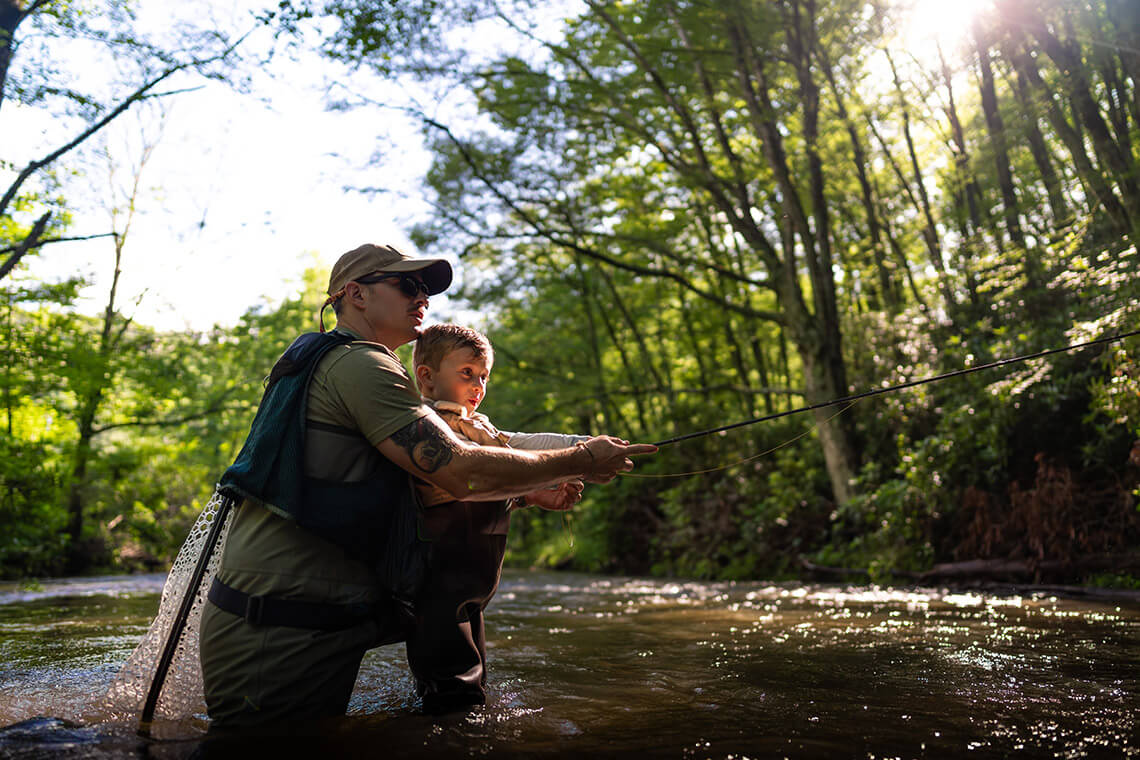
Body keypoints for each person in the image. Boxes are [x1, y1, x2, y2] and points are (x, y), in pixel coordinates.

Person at [198, 243, 656, 731]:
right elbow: (459, 470)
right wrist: (582, 458)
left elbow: (413, 489)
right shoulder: (360, 365)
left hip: (301, 617)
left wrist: (524, 493)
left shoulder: (343, 363)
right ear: (354, 294)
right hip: (279, 630)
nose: (423, 298)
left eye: (426, 290)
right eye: (407, 285)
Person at [407, 324, 589, 713]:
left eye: (484, 376)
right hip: (438, 588)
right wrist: (585, 451)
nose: (478, 385)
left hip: (475, 588)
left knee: (474, 685)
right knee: (453, 693)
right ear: (426, 377)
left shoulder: (479, 427)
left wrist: (530, 495)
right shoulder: (424, 426)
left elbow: (496, 476)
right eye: (467, 374)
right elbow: (455, 485)